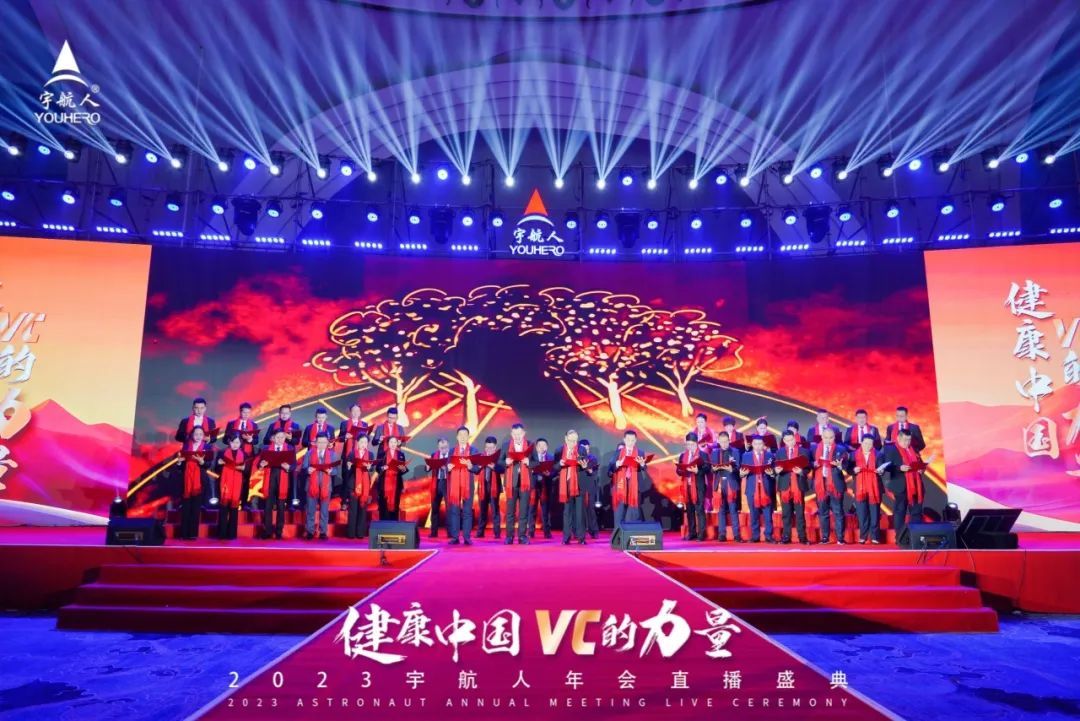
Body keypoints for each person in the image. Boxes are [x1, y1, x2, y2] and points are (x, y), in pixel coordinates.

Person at [882, 429, 932, 545]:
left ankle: (917, 537)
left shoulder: (913, 449)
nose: (907, 442)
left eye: (909, 440)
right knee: (900, 513)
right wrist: (899, 468)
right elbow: (887, 466)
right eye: (905, 440)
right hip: (901, 486)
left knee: (916, 513)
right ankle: (900, 538)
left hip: (916, 486)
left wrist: (921, 469)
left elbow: (919, 463)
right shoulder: (891, 449)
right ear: (898, 438)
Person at [812, 427, 848, 544]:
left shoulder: (841, 449)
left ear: (834, 437)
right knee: (823, 512)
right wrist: (814, 464)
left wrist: (839, 466)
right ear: (822, 437)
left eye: (831, 437)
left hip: (835, 484)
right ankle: (825, 537)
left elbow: (846, 466)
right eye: (826, 437)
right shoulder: (814, 448)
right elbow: (808, 463)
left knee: (838, 512)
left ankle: (840, 538)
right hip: (821, 484)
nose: (828, 440)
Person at [774, 430, 810, 545]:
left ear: (795, 438)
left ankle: (802, 537)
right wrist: (776, 470)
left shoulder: (803, 451)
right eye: (788, 440)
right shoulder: (779, 452)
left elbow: (808, 468)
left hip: (798, 485)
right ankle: (786, 536)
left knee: (800, 513)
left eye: (792, 439)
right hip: (785, 485)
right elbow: (775, 467)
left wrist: (801, 472)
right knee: (786, 513)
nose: (790, 442)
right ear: (784, 441)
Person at [259, 427, 295, 540]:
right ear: (273, 438)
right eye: (278, 437)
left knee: (281, 506)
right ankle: (267, 530)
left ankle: (279, 530)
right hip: (270, 477)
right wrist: (261, 465)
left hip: (282, 476)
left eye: (282, 437)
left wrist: (289, 467)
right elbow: (259, 464)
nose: (280, 439)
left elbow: (293, 464)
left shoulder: (289, 448)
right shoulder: (266, 448)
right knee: (268, 506)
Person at [851, 433, 887, 544]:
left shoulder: (878, 454)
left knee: (875, 513)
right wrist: (853, 470)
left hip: (874, 487)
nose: (868, 446)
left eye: (870, 444)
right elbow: (848, 468)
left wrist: (881, 471)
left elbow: (881, 467)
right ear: (861, 443)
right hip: (860, 487)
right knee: (862, 514)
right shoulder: (853, 454)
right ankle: (863, 536)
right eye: (865, 443)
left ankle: (875, 536)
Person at [610, 430, 648, 530]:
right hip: (620, 485)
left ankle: (630, 534)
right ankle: (618, 534)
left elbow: (644, 468)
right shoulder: (618, 452)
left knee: (633, 512)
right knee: (619, 512)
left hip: (634, 485)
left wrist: (642, 464)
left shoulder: (640, 452)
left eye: (632, 440)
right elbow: (611, 468)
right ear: (624, 440)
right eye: (628, 440)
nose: (630, 442)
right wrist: (617, 464)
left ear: (635, 440)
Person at [303, 433, 338, 540]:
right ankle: (310, 531)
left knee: (324, 511)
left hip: (326, 486)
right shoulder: (309, 453)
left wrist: (331, 471)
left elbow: (336, 471)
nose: (322, 444)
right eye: (320, 442)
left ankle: (323, 532)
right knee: (310, 510)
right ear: (315, 443)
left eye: (324, 442)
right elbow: (304, 468)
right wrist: (308, 470)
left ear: (327, 443)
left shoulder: (332, 454)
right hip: (311, 485)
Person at [740, 435, 775, 542]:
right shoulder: (746, 455)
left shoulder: (769, 455)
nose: (758, 446)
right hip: (752, 488)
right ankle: (755, 536)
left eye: (760, 444)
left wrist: (772, 473)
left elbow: (774, 472)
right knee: (754, 514)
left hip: (766, 488)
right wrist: (742, 474)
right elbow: (742, 472)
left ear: (763, 444)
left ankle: (768, 535)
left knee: (768, 514)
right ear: (752, 444)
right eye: (756, 444)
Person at [224, 403, 259, 510]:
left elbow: (256, 441)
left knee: (245, 480)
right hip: (233, 455)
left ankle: (244, 503)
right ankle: (230, 501)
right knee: (231, 478)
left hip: (248, 457)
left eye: (248, 412)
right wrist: (233, 439)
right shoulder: (231, 424)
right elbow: (225, 439)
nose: (246, 414)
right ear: (240, 412)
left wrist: (250, 439)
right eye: (244, 412)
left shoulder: (254, 425)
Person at [177, 425, 210, 540]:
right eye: (196, 434)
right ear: (192, 435)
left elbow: (209, 465)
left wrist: (202, 462)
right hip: (186, 480)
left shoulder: (207, 447)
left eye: (201, 434)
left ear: (203, 436)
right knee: (186, 508)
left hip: (199, 480)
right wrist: (179, 462)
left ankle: (192, 534)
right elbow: (180, 466)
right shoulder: (186, 446)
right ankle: (184, 533)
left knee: (196, 509)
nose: (198, 436)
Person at [676, 433, 709, 541]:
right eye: (688, 444)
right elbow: (678, 471)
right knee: (689, 510)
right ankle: (692, 532)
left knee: (699, 509)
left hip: (698, 486)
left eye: (691, 444)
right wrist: (681, 470)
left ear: (696, 443)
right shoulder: (683, 456)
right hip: (687, 486)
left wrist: (697, 471)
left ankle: (701, 534)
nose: (689, 446)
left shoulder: (702, 454)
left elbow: (707, 469)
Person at [447, 427, 477, 545]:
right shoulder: (451, 451)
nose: (463, 437)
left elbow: (477, 469)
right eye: (461, 435)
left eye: (465, 435)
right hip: (454, 485)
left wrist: (470, 466)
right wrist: (448, 468)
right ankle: (455, 537)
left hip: (468, 484)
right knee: (454, 511)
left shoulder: (473, 450)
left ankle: (467, 537)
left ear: (468, 436)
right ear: (457, 437)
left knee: (467, 511)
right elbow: (446, 466)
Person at [556, 430, 586, 545]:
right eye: (571, 440)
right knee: (567, 512)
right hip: (565, 484)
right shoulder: (559, 450)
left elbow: (585, 464)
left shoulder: (581, 449)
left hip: (578, 484)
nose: (573, 443)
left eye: (575, 441)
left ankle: (581, 537)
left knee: (579, 512)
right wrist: (560, 464)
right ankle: (566, 537)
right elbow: (554, 467)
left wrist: (584, 465)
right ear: (565, 439)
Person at [503, 423, 532, 544]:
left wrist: (529, 462)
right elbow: (499, 462)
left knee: (523, 511)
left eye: (519, 434)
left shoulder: (530, 445)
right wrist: (505, 462)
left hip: (525, 482)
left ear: (523, 433)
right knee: (510, 511)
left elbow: (536, 462)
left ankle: (522, 536)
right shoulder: (506, 445)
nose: (517, 436)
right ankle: (509, 536)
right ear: (511, 434)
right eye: (515, 434)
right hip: (511, 482)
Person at [711, 431, 742, 542]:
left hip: (730, 483)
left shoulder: (735, 451)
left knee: (733, 510)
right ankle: (722, 534)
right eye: (722, 442)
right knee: (721, 510)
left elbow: (739, 468)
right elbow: (711, 469)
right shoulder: (715, 452)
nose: (724, 444)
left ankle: (736, 535)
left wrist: (732, 469)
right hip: (719, 483)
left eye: (726, 442)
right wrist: (713, 469)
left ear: (729, 441)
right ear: (718, 441)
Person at [215, 433, 246, 540]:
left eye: (237, 442)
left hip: (237, 483)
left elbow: (246, 471)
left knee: (234, 509)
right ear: (229, 442)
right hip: (225, 482)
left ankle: (232, 534)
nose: (235, 444)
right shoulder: (222, 452)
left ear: (240, 443)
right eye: (233, 442)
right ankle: (222, 533)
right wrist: (219, 464)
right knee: (223, 508)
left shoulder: (244, 454)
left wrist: (243, 469)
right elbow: (216, 469)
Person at [343, 434, 375, 539]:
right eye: (361, 442)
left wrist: (370, 468)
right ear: (358, 442)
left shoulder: (370, 454)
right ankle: (351, 533)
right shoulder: (352, 453)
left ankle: (360, 533)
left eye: (365, 442)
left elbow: (372, 468)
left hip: (365, 485)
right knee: (353, 510)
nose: (363, 444)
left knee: (362, 509)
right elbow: (347, 469)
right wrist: (349, 466)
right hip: (353, 484)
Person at [475, 436, 504, 539]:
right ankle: (480, 532)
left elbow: (503, 469)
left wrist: (494, 467)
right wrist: (478, 466)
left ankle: (497, 533)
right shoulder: (481, 456)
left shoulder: (499, 457)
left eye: (491, 448)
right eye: (487, 447)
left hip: (494, 487)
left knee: (495, 510)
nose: (489, 449)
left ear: (495, 447)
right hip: (483, 486)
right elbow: (476, 471)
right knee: (482, 511)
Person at [528, 438, 556, 539]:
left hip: (546, 486)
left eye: (544, 445)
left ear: (547, 447)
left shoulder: (551, 457)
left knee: (546, 511)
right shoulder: (531, 458)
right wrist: (531, 471)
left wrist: (550, 474)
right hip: (533, 486)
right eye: (539, 446)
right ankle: (531, 532)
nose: (542, 447)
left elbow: (555, 471)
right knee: (532, 510)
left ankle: (547, 532)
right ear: (536, 447)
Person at [376, 435, 408, 521]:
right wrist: (383, 468)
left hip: (396, 483)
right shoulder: (382, 454)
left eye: (395, 442)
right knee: (383, 506)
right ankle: (383, 525)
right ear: (388, 443)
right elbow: (377, 468)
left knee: (396, 505)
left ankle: (394, 525)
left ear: (397, 443)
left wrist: (403, 469)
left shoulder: (401, 454)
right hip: (384, 484)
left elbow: (403, 470)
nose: (393, 444)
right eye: (391, 442)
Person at [426, 438, 451, 539]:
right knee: (435, 508)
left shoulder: (451, 456)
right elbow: (429, 467)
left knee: (449, 508)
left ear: (448, 446)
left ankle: (450, 532)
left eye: (445, 447)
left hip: (447, 482)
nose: (443, 449)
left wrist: (446, 469)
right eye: (441, 448)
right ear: (438, 447)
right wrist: (427, 467)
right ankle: (434, 532)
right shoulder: (434, 455)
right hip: (436, 482)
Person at [579, 439, 601, 539]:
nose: (586, 451)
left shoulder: (592, 458)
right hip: (579, 486)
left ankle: (594, 531)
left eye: (587, 449)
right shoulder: (577, 458)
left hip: (590, 487)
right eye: (584, 449)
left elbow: (593, 471)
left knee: (591, 510)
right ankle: (578, 531)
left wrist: (588, 469)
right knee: (579, 510)